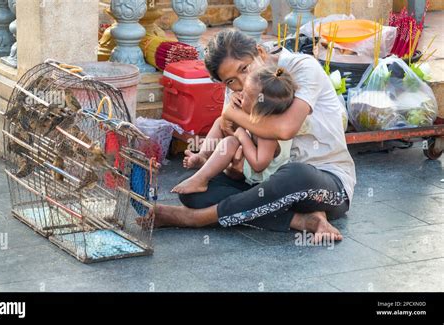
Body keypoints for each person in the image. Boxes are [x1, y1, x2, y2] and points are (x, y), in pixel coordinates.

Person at [145, 29, 356, 243]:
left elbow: (285, 129)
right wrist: (233, 162)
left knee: (295, 175)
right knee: (194, 193)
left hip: (322, 182)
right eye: (230, 81)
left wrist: (231, 115)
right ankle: (302, 220)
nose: (243, 83)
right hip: (263, 181)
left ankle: (195, 218)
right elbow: (229, 128)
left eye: (245, 68)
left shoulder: (302, 67)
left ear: (260, 52)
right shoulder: (239, 89)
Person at [171, 65, 296, 194]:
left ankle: (201, 179)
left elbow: (259, 165)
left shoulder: (268, 134)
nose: (240, 94)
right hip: (246, 160)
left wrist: (242, 136)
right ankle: (203, 156)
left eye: (245, 94)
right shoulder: (257, 116)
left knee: (230, 142)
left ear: (258, 107)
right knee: (221, 122)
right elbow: (229, 121)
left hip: (262, 178)